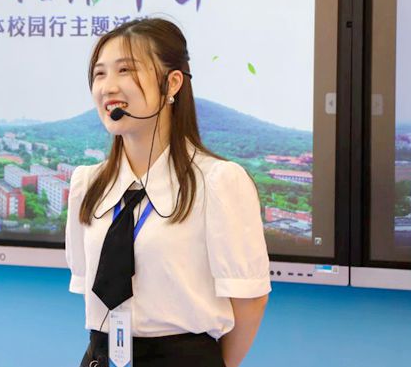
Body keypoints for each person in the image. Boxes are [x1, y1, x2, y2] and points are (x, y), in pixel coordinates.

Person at [65, 18, 270, 367]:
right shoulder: (88, 183)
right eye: (99, 74)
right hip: (102, 357)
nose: (108, 87)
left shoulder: (218, 181)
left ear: (172, 82)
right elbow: (89, 286)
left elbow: (250, 300)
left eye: (125, 70)